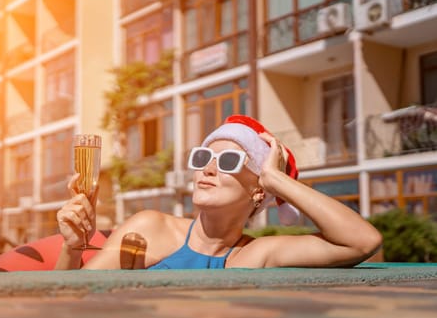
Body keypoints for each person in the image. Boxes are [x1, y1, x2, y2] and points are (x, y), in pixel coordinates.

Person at [55, 115, 382, 270]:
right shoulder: (151, 228)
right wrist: (72, 248)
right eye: (202, 157)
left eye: (228, 160)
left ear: (259, 190)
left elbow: (363, 241)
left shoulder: (253, 256)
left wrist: (277, 179)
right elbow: (74, 299)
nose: (208, 169)